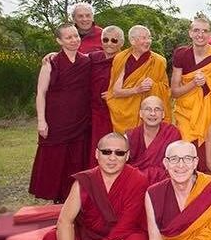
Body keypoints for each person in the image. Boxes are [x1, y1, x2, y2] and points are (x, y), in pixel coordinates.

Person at [38, 133, 148, 240]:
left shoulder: (138, 180)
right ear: (97, 153)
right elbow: (64, 221)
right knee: (51, 238)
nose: (112, 158)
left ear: (127, 155)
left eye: (119, 153)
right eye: (106, 152)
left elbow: (127, 227)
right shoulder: (84, 181)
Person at [30, 23, 92, 202]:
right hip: (56, 119)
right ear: (59, 40)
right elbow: (41, 93)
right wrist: (41, 120)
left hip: (80, 120)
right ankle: (54, 196)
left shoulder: (87, 60)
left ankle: (72, 197)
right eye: (68, 37)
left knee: (76, 159)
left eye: (76, 36)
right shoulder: (51, 63)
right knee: (55, 159)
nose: (74, 40)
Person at [171, 18, 211, 158]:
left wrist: (208, 82)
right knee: (186, 154)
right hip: (186, 114)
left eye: (205, 31)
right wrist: (193, 83)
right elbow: (174, 92)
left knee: (209, 156)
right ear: (190, 33)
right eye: (196, 30)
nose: (200, 34)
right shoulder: (181, 54)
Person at [106, 25, 171, 133]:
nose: (148, 41)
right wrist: (137, 89)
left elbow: (166, 91)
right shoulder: (121, 58)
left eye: (149, 38)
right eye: (143, 38)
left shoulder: (159, 61)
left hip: (148, 114)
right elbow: (115, 92)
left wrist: (154, 86)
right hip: (124, 113)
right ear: (132, 41)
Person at [126, 96, 181, 185]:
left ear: (163, 114)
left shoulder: (172, 133)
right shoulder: (130, 136)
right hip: (136, 183)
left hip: (165, 183)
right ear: (140, 113)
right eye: (148, 109)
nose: (152, 113)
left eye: (157, 109)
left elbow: (176, 163)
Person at [87, 26, 124, 152]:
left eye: (114, 40)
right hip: (93, 110)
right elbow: (75, 58)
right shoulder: (94, 57)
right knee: (92, 145)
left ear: (121, 43)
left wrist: (114, 94)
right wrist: (53, 54)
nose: (109, 43)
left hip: (114, 110)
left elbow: (134, 84)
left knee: (110, 145)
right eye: (105, 40)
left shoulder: (125, 60)